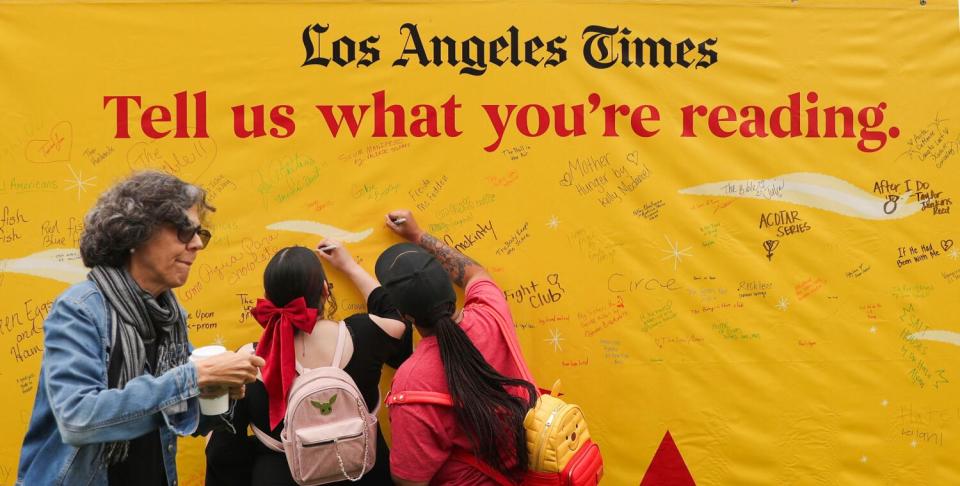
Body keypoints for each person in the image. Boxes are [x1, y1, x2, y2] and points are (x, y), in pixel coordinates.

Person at [16, 171, 265, 486]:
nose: (198, 243)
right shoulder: (80, 309)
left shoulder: (168, 314)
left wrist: (218, 393)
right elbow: (77, 419)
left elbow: (178, 417)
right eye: (185, 231)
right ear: (136, 233)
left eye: (201, 232)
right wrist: (195, 377)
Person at [205, 241, 412, 486]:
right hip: (362, 472)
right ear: (325, 290)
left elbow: (224, 448)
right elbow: (395, 313)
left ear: (269, 300)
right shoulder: (365, 333)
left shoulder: (249, 360)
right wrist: (349, 267)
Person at [376, 209, 538, 486]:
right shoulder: (491, 311)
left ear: (407, 317)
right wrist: (418, 235)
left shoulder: (411, 382)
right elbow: (475, 273)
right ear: (453, 293)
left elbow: (409, 480)